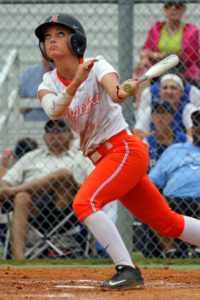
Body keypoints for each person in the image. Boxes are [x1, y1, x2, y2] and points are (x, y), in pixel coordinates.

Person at [35, 13, 200, 290]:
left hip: (124, 149)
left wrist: (124, 90)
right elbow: (54, 109)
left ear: (76, 40)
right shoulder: (48, 82)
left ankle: (127, 270)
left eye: (60, 34)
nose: (52, 40)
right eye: (48, 37)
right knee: (167, 224)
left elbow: (115, 92)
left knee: (84, 204)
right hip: (106, 159)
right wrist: (76, 82)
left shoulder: (97, 64)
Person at [0, 119, 94, 259]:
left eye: (60, 129)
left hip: (65, 207)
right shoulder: (31, 157)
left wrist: (73, 184)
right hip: (34, 209)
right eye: (50, 130)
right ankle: (19, 260)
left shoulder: (81, 157)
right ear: (44, 137)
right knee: (22, 197)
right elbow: (4, 183)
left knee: (63, 174)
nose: (55, 133)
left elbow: (95, 184)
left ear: (70, 135)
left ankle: (18, 190)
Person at [149, 108, 200, 258]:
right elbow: (152, 180)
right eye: (196, 123)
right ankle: (172, 253)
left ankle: (198, 251)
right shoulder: (176, 149)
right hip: (172, 200)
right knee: (150, 201)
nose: (199, 127)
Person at [135, 1, 200, 87]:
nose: (172, 8)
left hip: (184, 74)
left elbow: (187, 59)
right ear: (164, 9)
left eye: (177, 6)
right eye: (168, 5)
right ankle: (143, 99)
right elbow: (146, 50)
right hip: (159, 72)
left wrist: (156, 55)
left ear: (184, 9)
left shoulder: (191, 30)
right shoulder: (157, 28)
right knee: (142, 71)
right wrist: (145, 57)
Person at [134, 73, 200, 139]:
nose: (169, 91)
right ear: (160, 92)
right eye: (165, 88)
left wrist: (174, 139)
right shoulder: (151, 110)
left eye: (173, 88)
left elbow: (192, 135)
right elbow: (137, 133)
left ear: (181, 93)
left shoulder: (187, 109)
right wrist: (156, 137)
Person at [0, 138, 38, 248]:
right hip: (11, 229)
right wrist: (4, 167)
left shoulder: (40, 172)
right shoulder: (12, 175)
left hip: (39, 226)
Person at [144, 99, 189, 171]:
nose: (160, 116)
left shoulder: (185, 140)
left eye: (164, 112)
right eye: (157, 112)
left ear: (172, 116)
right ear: (152, 117)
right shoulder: (146, 143)